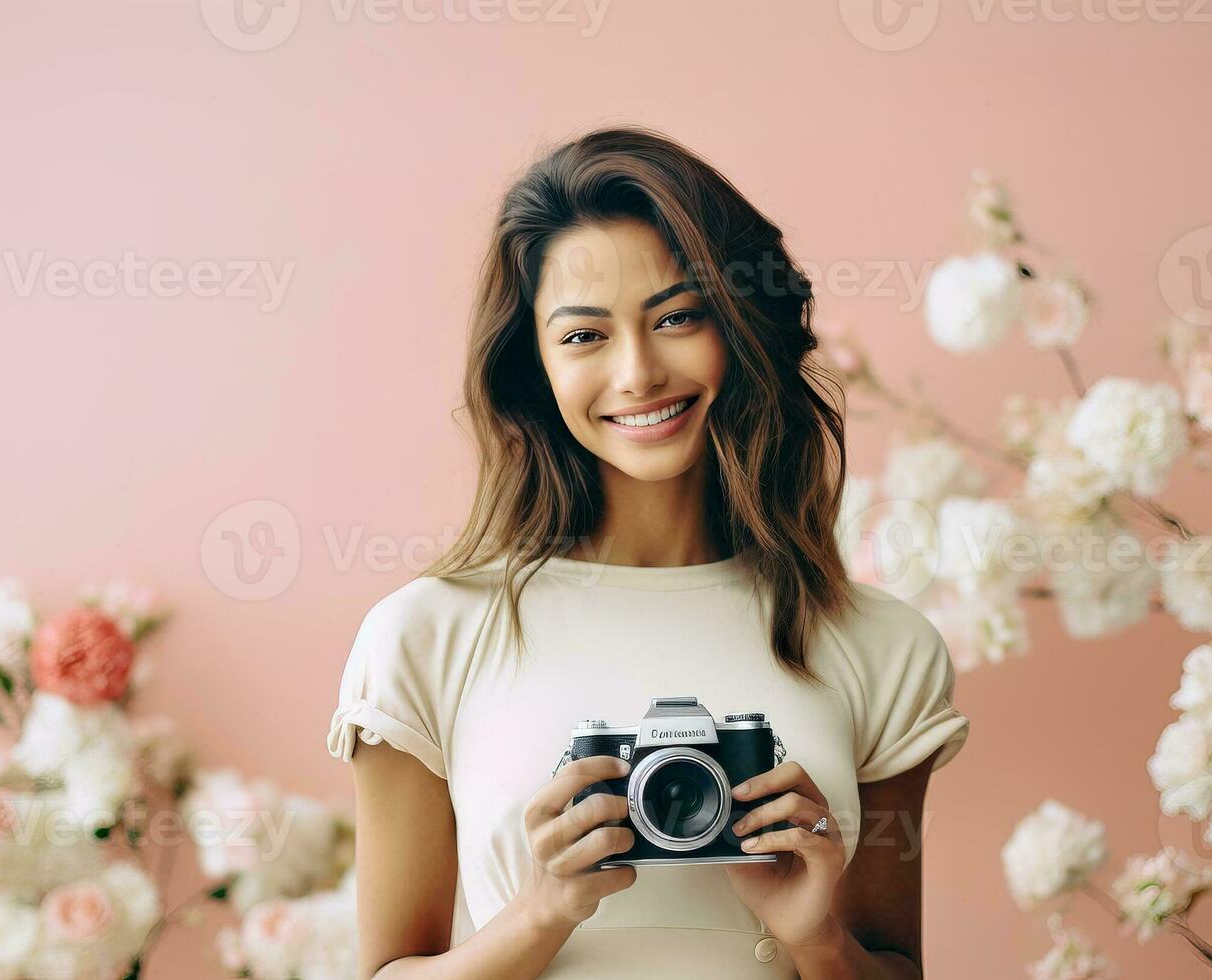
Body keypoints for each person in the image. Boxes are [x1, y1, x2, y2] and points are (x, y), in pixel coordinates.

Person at [325, 126, 969, 979]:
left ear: (740, 327)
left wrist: (814, 937)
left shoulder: (880, 646)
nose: (637, 374)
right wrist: (542, 913)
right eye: (584, 336)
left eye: (676, 317)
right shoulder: (424, 636)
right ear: (535, 369)